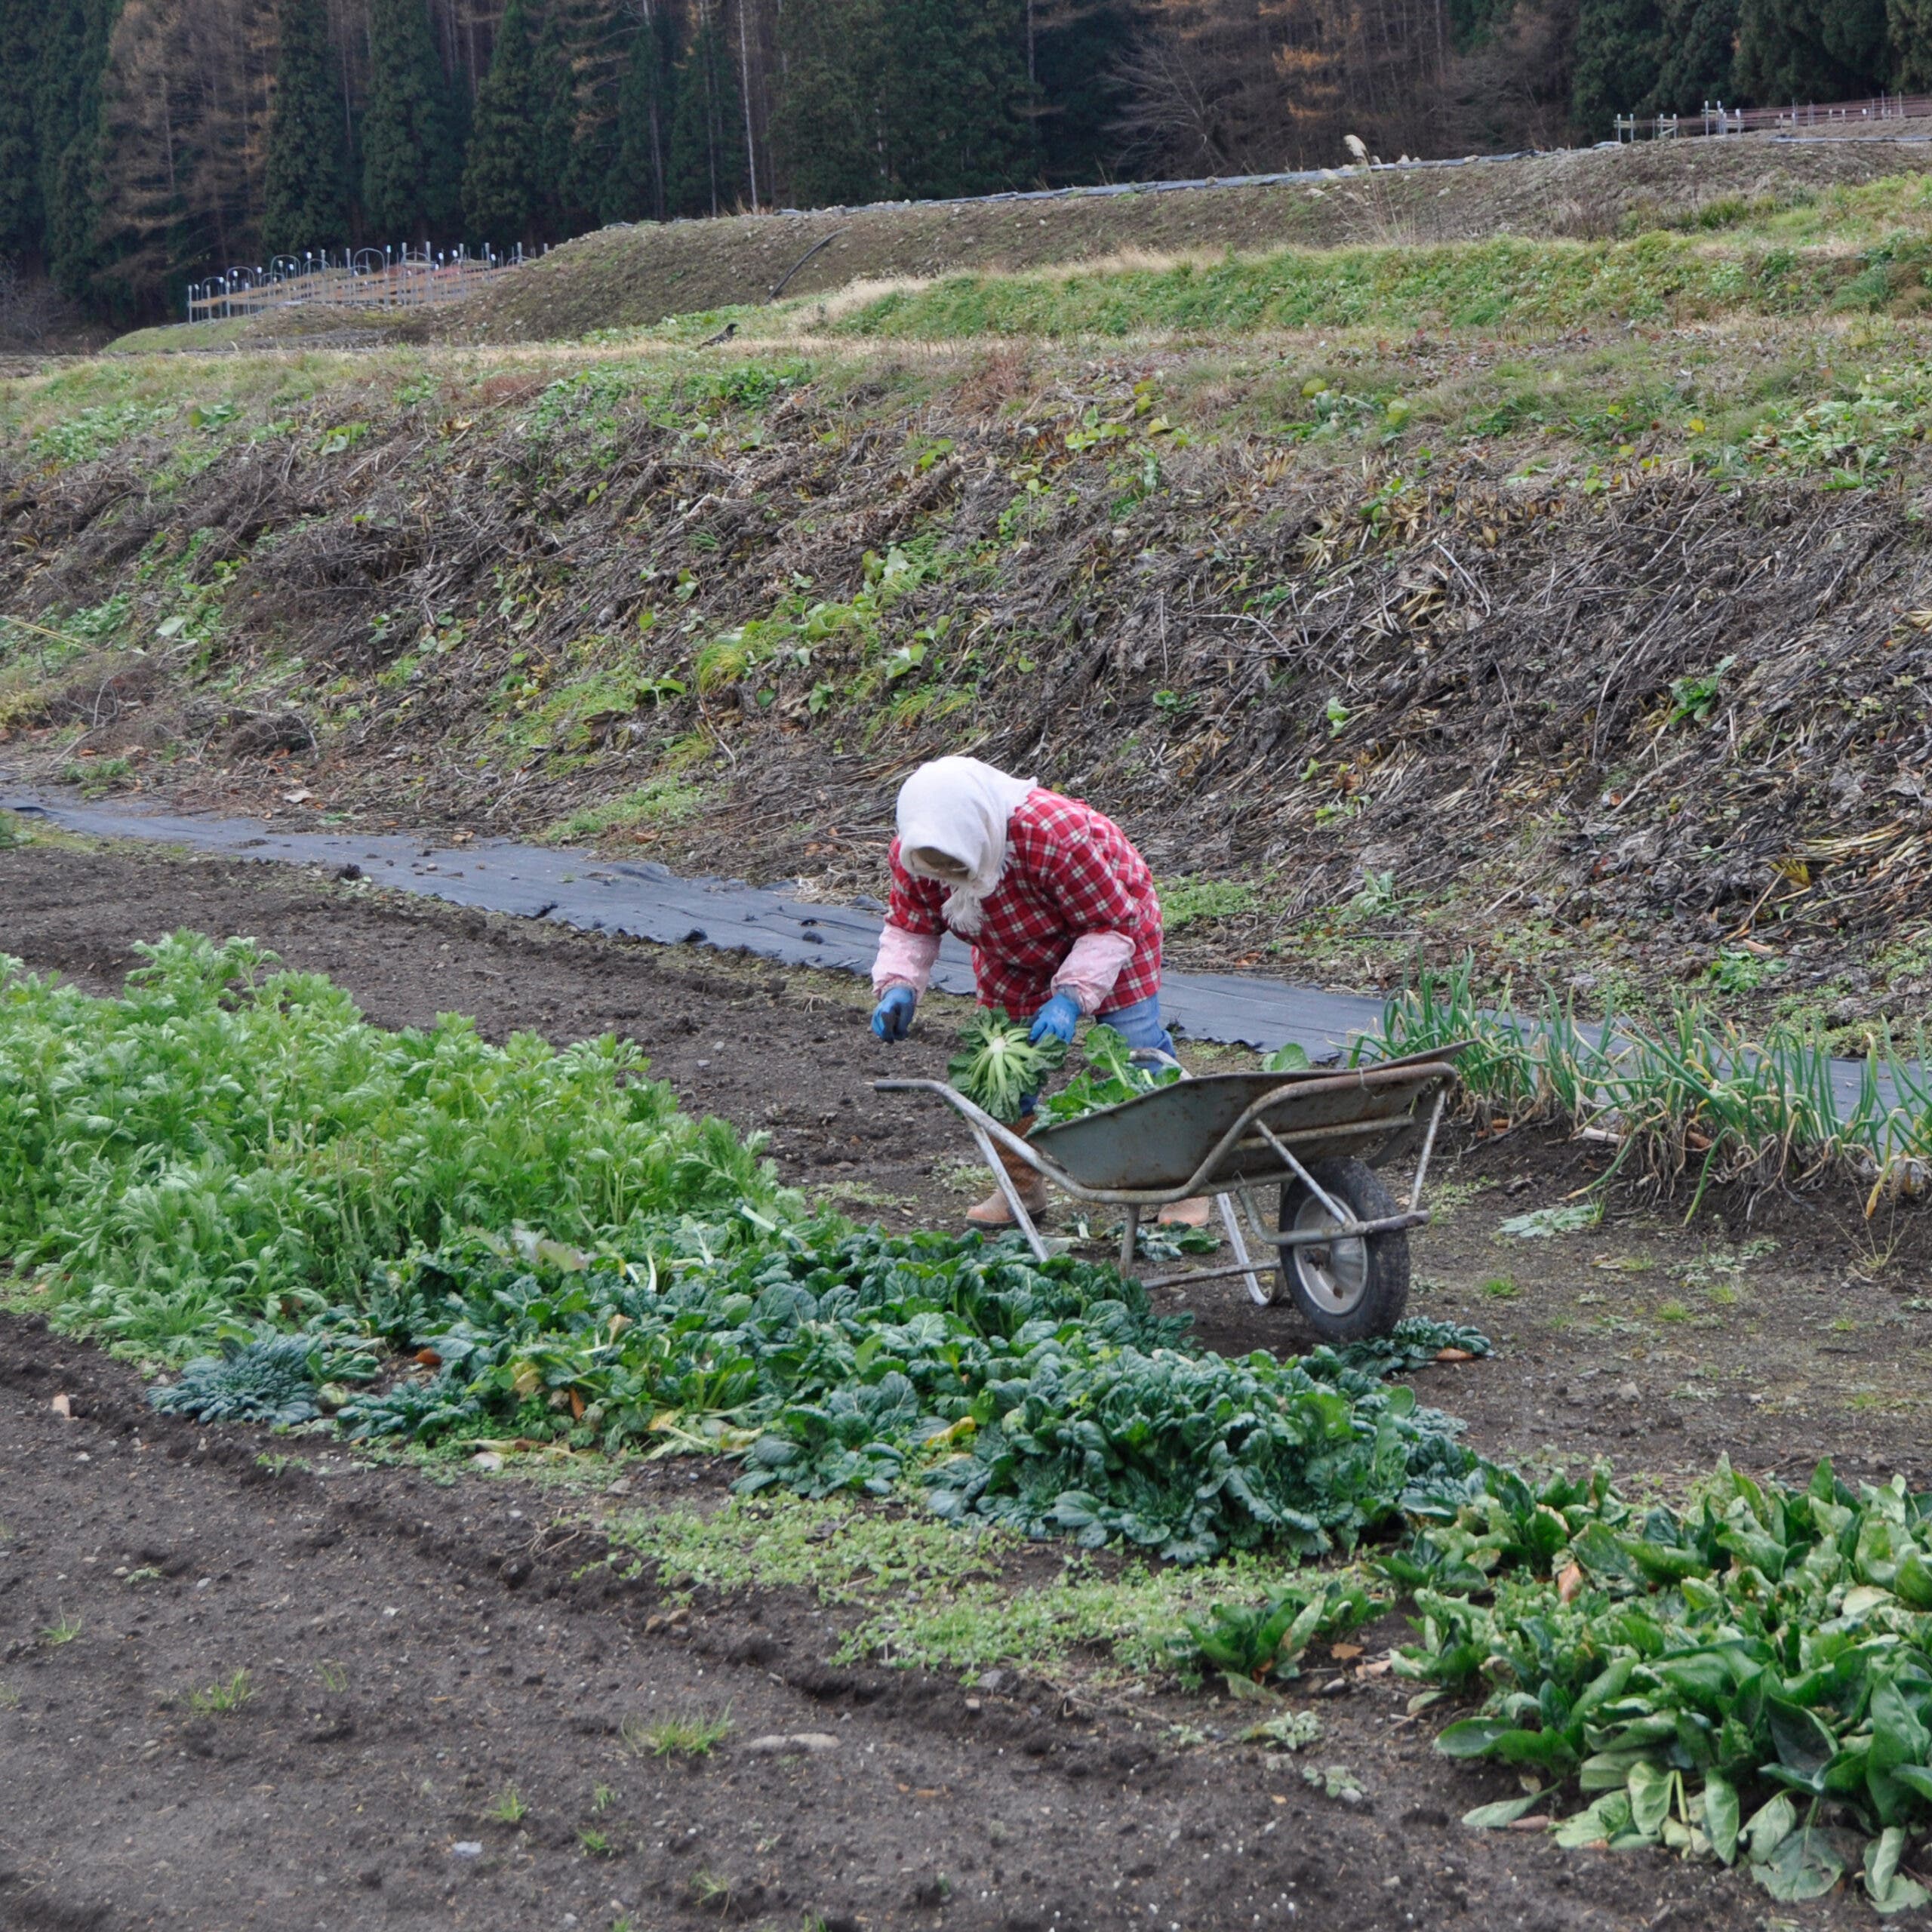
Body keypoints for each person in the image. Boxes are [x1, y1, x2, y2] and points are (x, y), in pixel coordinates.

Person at [868, 755, 1208, 1229]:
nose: (945, 870)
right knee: (1000, 1064)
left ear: (981, 830)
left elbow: (1109, 925)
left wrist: (1070, 996)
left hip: (1112, 924)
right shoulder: (921, 849)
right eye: (938, 865)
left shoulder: (1053, 836)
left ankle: (1186, 1183)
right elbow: (911, 925)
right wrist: (898, 985)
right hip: (1010, 942)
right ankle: (1020, 1188)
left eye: (955, 863)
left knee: (1136, 1048)